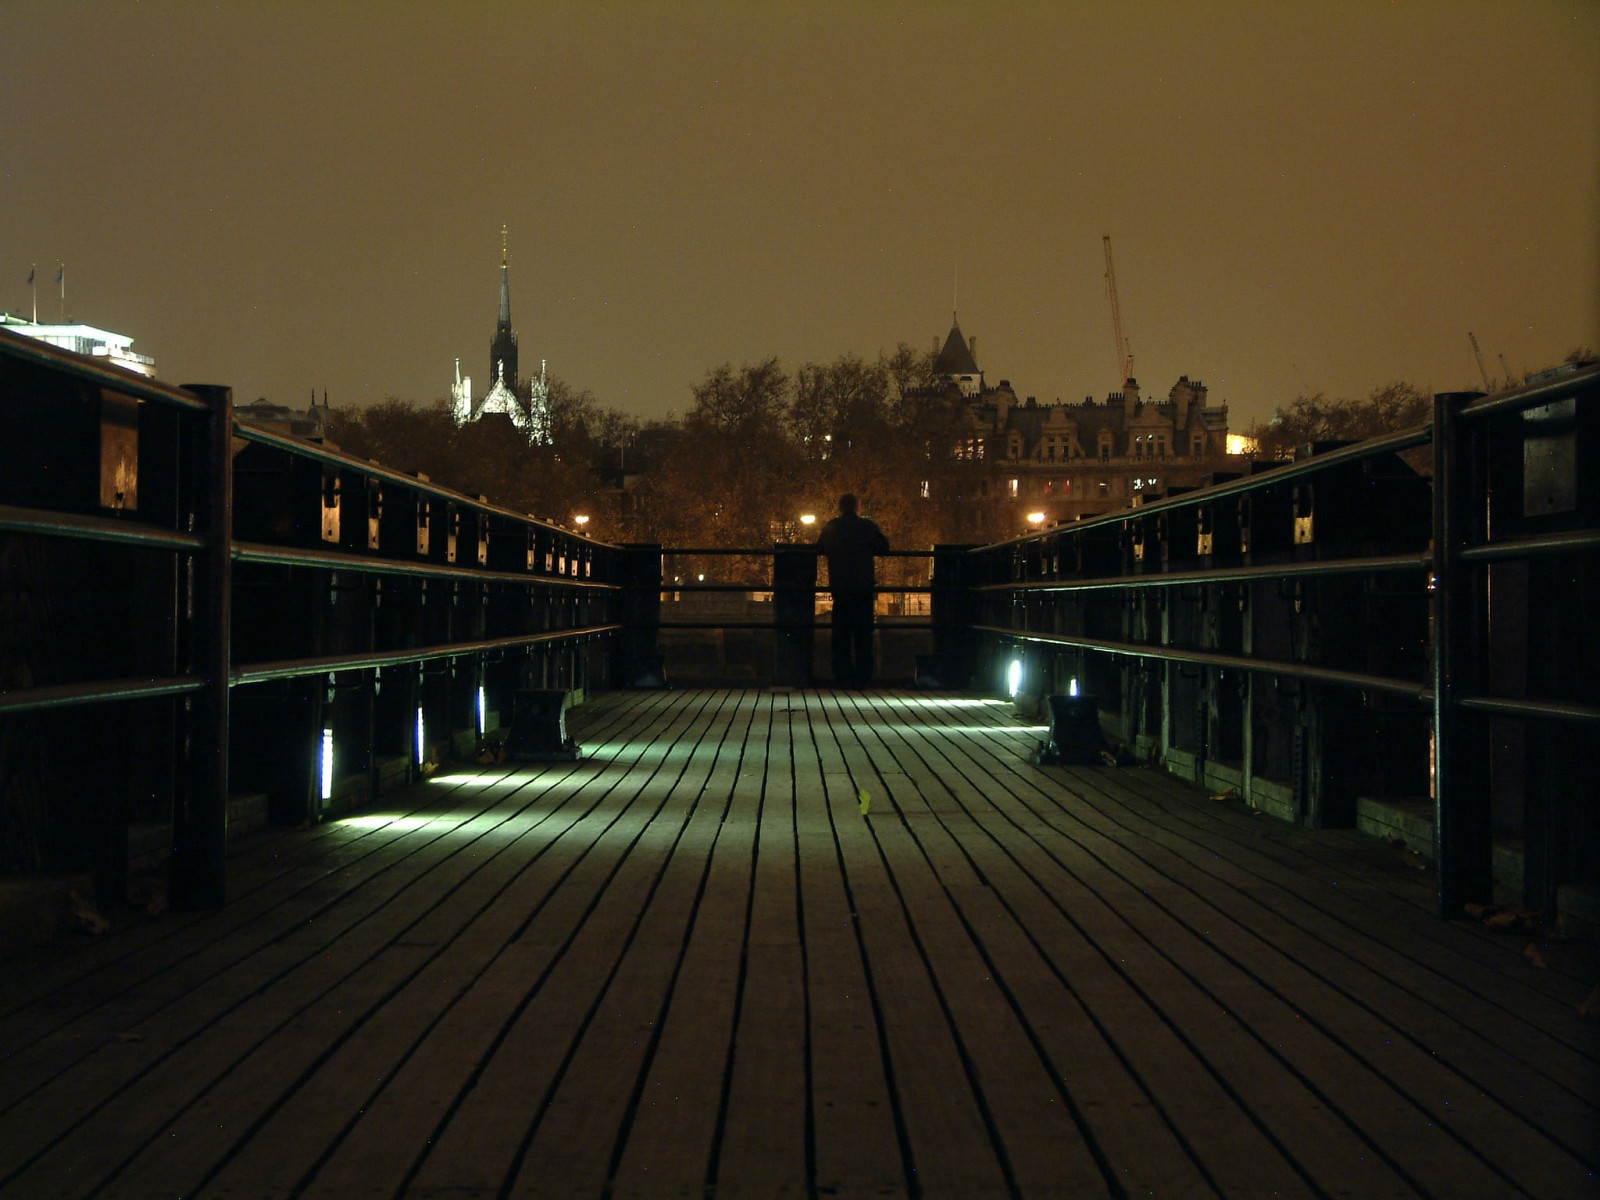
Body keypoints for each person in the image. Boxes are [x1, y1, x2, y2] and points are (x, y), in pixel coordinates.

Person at [816, 493, 889, 688]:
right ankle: (863, 677)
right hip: (863, 588)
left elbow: (820, 547)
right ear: (858, 507)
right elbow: (884, 547)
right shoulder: (867, 527)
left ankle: (842, 675)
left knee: (841, 635)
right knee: (863, 635)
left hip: (841, 587)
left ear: (840, 507)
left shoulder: (832, 527)